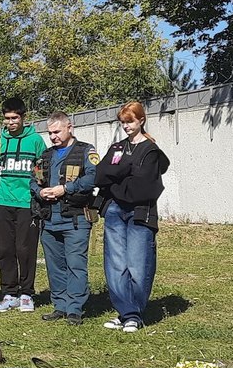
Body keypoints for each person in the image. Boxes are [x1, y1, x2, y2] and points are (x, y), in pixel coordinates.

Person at [95, 101, 170, 333]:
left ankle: (134, 314)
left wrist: (116, 176)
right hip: (115, 209)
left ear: (141, 120)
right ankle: (125, 312)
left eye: (130, 121)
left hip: (140, 212)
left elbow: (143, 187)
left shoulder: (151, 150)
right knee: (115, 264)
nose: (126, 126)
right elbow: (100, 174)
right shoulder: (118, 148)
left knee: (138, 264)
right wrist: (125, 169)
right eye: (123, 122)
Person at [31, 112, 99, 326]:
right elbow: (33, 180)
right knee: (55, 266)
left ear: (70, 127)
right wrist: (40, 192)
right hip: (49, 219)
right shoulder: (46, 155)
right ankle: (60, 305)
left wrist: (65, 189)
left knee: (76, 264)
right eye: (50, 133)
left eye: (57, 132)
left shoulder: (86, 151)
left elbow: (91, 179)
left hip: (75, 219)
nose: (53, 137)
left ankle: (75, 309)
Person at [0, 98, 47, 313]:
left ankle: (26, 294)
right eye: (7, 119)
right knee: (4, 249)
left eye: (15, 118)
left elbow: (42, 170)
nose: (11, 122)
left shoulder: (36, 141)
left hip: (27, 202)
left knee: (25, 249)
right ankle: (8, 293)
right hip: (4, 200)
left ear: (23, 117)